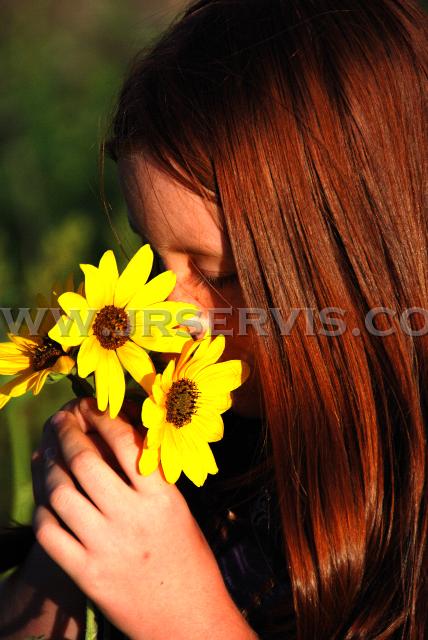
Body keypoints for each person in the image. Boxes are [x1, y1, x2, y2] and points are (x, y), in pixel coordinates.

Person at [0, 0, 427, 637]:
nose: (167, 313)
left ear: (356, 269)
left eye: (218, 276)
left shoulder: (409, 506)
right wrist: (70, 547)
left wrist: (183, 615)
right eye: (149, 254)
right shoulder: (200, 443)